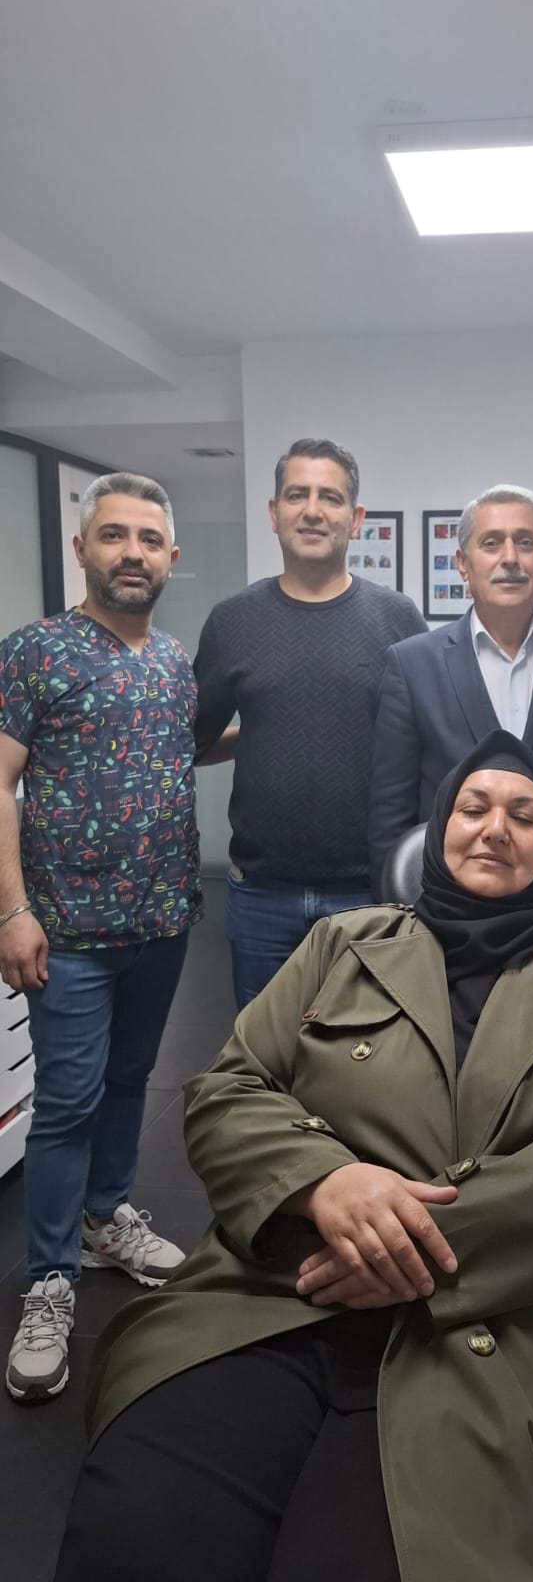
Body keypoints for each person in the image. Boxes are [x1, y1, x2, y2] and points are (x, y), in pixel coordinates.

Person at [56, 732, 533, 1582]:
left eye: (524, 815)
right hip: (280, 1299)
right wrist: (324, 1182)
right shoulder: (343, 945)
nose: (494, 828)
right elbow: (229, 1086)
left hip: (494, 1337)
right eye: (473, 807)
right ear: (438, 830)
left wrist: (418, 1241)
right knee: (137, 1529)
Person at [0, 472, 200, 1404]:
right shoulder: (35, 651)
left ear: (170, 558)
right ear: (82, 548)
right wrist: (11, 910)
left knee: (130, 1081)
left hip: (162, 920)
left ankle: (105, 1217)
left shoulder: (175, 662)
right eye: (114, 535)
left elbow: (180, 745)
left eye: (149, 539)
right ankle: (48, 1281)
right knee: (68, 1103)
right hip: (68, 932)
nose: (132, 552)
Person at [194, 437, 427, 1008]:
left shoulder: (397, 618)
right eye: (297, 495)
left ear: (356, 517)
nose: (313, 510)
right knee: (264, 1054)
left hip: (368, 893)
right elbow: (193, 742)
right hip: (261, 896)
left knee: (366, 1052)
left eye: (330, 497)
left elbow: (425, 743)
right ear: (274, 513)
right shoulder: (232, 621)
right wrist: (265, 735)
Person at [369, 484, 533, 934]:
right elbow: (389, 815)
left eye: (524, 542)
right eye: (491, 543)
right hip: (445, 911)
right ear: (463, 563)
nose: (509, 557)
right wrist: (398, 930)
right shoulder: (411, 664)